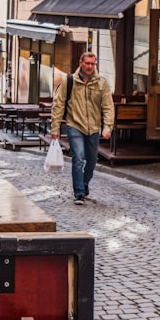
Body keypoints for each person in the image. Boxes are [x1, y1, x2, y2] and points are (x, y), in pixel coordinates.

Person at [50, 52, 115, 205]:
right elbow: (58, 105)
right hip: (74, 125)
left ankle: (85, 183)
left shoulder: (101, 83)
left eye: (93, 64)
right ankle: (79, 192)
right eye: (87, 63)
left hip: (93, 127)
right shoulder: (69, 81)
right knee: (78, 158)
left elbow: (108, 107)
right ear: (81, 63)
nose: (90, 67)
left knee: (92, 161)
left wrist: (107, 127)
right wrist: (55, 129)